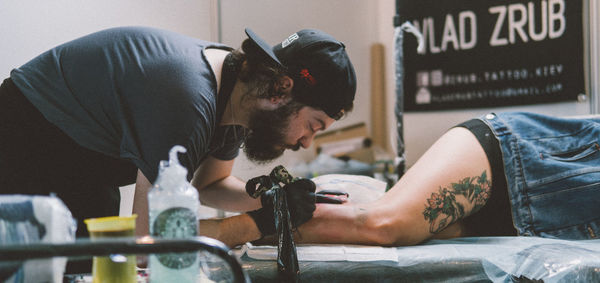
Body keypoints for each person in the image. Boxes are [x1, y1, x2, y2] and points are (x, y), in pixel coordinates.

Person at [0, 26, 356, 242]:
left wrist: (272, 199)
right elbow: (150, 237)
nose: (307, 142)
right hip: (23, 139)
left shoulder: (239, 96)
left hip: (80, 159)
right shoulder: (189, 101)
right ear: (281, 90)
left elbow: (210, 185)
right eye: (313, 125)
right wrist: (259, 223)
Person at [218, 112, 600, 247]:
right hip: (509, 159)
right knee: (381, 225)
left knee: (373, 222)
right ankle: (209, 238)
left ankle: (225, 232)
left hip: (525, 225)